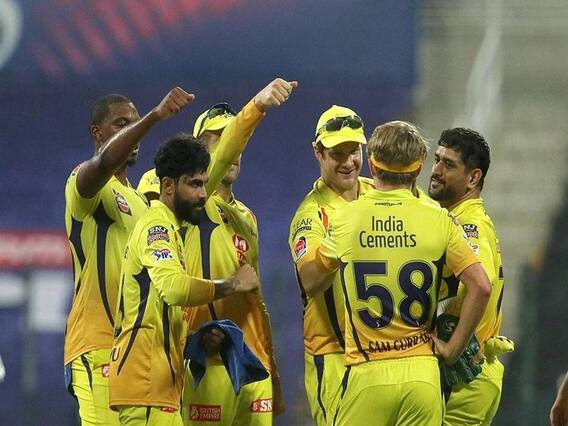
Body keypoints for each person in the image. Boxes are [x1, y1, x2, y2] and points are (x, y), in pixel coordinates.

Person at [303, 120, 491, 425]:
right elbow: (481, 286)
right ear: (418, 170)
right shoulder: (440, 219)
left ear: (372, 166)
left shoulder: (346, 219)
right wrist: (453, 349)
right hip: (422, 374)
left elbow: (310, 281)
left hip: (368, 374)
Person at [135, 78, 297, 425]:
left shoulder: (246, 216)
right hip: (205, 359)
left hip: (250, 361)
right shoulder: (188, 204)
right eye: (217, 138)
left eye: (233, 136)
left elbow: (253, 292)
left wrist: (270, 364)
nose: (232, 147)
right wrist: (257, 106)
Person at [64, 87, 195, 425]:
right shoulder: (85, 184)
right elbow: (104, 162)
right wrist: (154, 117)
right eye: (122, 124)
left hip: (138, 353)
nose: (134, 131)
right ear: (98, 133)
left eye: (134, 123)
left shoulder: (142, 204)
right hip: (98, 344)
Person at [108, 135, 260, 426]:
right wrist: (232, 284)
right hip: (146, 386)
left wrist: (193, 339)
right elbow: (174, 289)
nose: (203, 194)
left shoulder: (172, 230)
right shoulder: (157, 227)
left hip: (157, 389)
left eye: (204, 184)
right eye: (194, 184)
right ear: (168, 185)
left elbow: (154, 310)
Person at [287, 105, 374, 425]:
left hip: (383, 352)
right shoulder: (311, 215)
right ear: (318, 153)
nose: (349, 162)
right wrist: (342, 236)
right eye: (338, 154)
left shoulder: (379, 193)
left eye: (354, 151)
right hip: (335, 357)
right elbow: (310, 279)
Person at [428, 127, 511, 425]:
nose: (436, 171)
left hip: (463, 381)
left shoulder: (467, 226)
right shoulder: (460, 219)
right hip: (474, 379)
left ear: (473, 178)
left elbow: (480, 286)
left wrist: (452, 349)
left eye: (448, 164)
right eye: (437, 160)